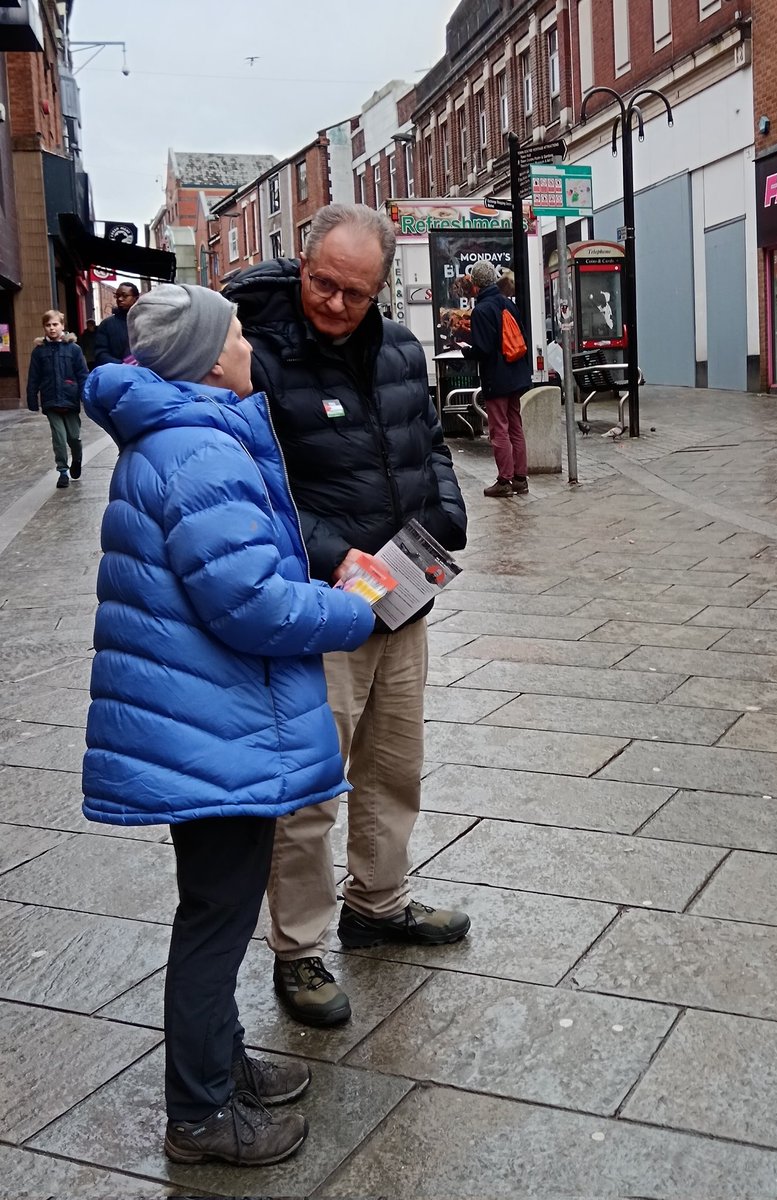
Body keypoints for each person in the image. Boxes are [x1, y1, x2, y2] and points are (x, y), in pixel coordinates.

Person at [82, 284, 376, 1166]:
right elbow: (249, 604)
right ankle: (202, 1113)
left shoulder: (177, 438)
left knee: (217, 908)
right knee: (215, 920)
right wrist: (348, 608)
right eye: (239, 333)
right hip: (212, 732)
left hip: (201, 725)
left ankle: (220, 1065)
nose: (250, 344)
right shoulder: (200, 451)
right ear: (211, 358)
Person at [223, 203, 469, 1029]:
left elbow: (428, 443)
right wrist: (332, 555)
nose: (332, 303)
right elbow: (259, 489)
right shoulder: (258, 354)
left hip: (401, 598)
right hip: (318, 607)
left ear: (380, 290)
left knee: (394, 765)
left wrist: (446, 515)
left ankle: (378, 901)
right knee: (308, 789)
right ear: (303, 261)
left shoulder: (399, 347)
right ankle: (299, 951)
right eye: (322, 282)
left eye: (353, 293)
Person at [459, 258, 532, 497]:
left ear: (477, 284)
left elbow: (484, 349)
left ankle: (504, 481)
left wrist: (465, 350)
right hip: (516, 376)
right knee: (515, 426)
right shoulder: (508, 305)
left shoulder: (481, 310)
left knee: (498, 429)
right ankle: (521, 479)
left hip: (497, 379)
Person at [26, 309, 87, 489]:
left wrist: (85, 395)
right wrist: (32, 399)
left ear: (62, 325)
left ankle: (77, 458)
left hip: (70, 399)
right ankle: (62, 471)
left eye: (55, 324)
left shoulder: (74, 349)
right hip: (50, 400)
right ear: (44, 327)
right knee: (59, 438)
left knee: (74, 437)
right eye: (48, 325)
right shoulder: (39, 352)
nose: (52, 328)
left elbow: (83, 374)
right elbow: (34, 377)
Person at [93, 282, 139, 365]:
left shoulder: (145, 321)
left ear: (136, 298)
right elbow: (100, 354)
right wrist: (122, 365)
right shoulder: (106, 324)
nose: (120, 299)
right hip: (116, 374)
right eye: (117, 296)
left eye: (125, 296)